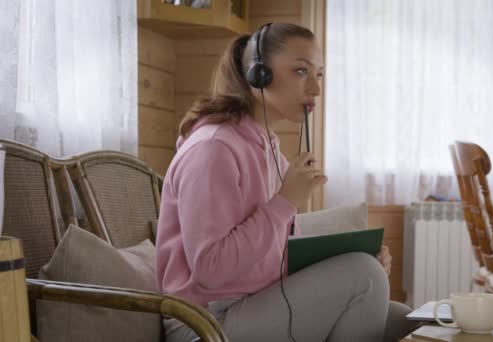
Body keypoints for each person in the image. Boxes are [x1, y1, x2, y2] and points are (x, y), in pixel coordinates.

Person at [155, 22, 419, 342]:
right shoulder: (213, 150)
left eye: (319, 74)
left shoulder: (270, 151)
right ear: (259, 75)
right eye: (300, 72)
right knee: (365, 278)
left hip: (254, 303)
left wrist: (359, 258)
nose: (316, 89)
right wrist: (285, 202)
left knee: (404, 319)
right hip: (205, 323)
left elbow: (272, 254)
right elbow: (210, 270)